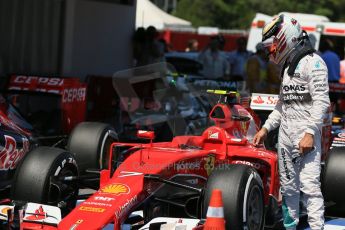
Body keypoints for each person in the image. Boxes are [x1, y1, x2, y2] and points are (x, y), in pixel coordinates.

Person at [253, 14, 330, 230]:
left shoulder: (314, 63)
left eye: (273, 46)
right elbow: (282, 104)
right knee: (288, 188)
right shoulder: (287, 68)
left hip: (306, 138)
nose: (271, 52)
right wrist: (266, 128)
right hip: (286, 136)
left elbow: (322, 102)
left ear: (286, 38)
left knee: (310, 187)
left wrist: (309, 133)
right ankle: (290, 227)